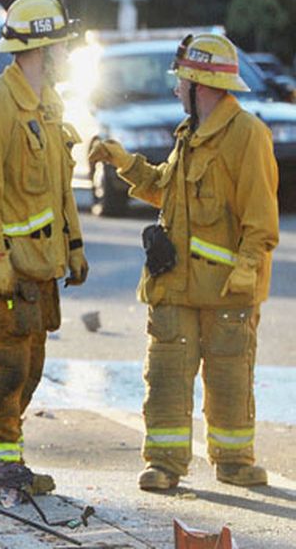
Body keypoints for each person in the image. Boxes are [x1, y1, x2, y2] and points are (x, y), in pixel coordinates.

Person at [89, 33, 279, 491]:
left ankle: (233, 461)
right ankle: (165, 464)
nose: (175, 89)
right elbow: (166, 191)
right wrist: (125, 164)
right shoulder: (189, 136)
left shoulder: (247, 136)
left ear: (201, 85)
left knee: (230, 377)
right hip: (174, 285)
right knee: (167, 376)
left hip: (225, 291)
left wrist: (248, 265)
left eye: (182, 81)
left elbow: (261, 217)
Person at [0, 0, 88, 496]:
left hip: (39, 270)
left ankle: (2, 465)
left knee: (29, 369)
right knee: (3, 370)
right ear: (40, 49)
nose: (67, 55)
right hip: (6, 270)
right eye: (61, 46)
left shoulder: (48, 107)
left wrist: (74, 246)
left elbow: (60, 187)